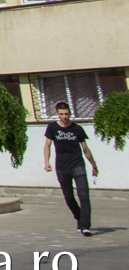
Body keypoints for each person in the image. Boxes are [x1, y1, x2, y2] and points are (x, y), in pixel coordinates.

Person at [43, 99, 99, 235]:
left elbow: (85, 149)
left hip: (78, 165)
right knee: (68, 197)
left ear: (70, 113)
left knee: (84, 195)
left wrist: (94, 165)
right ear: (57, 114)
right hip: (62, 167)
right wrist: (46, 162)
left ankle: (85, 226)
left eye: (67, 114)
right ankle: (79, 216)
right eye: (62, 114)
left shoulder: (77, 129)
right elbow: (47, 145)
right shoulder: (52, 128)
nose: (65, 117)